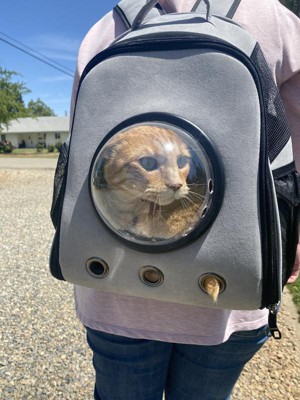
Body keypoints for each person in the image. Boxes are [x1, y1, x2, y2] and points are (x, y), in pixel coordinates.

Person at [70, 1, 300, 398]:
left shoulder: (107, 28)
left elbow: (82, 151)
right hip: (231, 282)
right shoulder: (272, 17)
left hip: (113, 288)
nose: (177, 182)